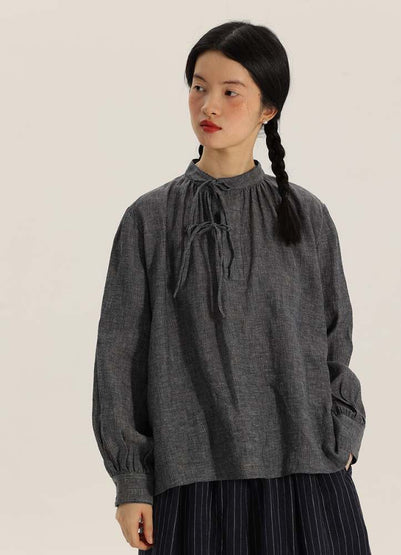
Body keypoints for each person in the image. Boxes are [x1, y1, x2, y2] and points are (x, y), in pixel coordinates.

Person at [92, 21, 372, 554]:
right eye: (198, 87)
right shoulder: (149, 220)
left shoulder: (307, 216)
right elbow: (119, 359)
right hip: (192, 483)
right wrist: (131, 482)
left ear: (268, 108)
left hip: (308, 475)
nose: (209, 106)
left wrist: (345, 434)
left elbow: (336, 341)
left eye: (230, 92)